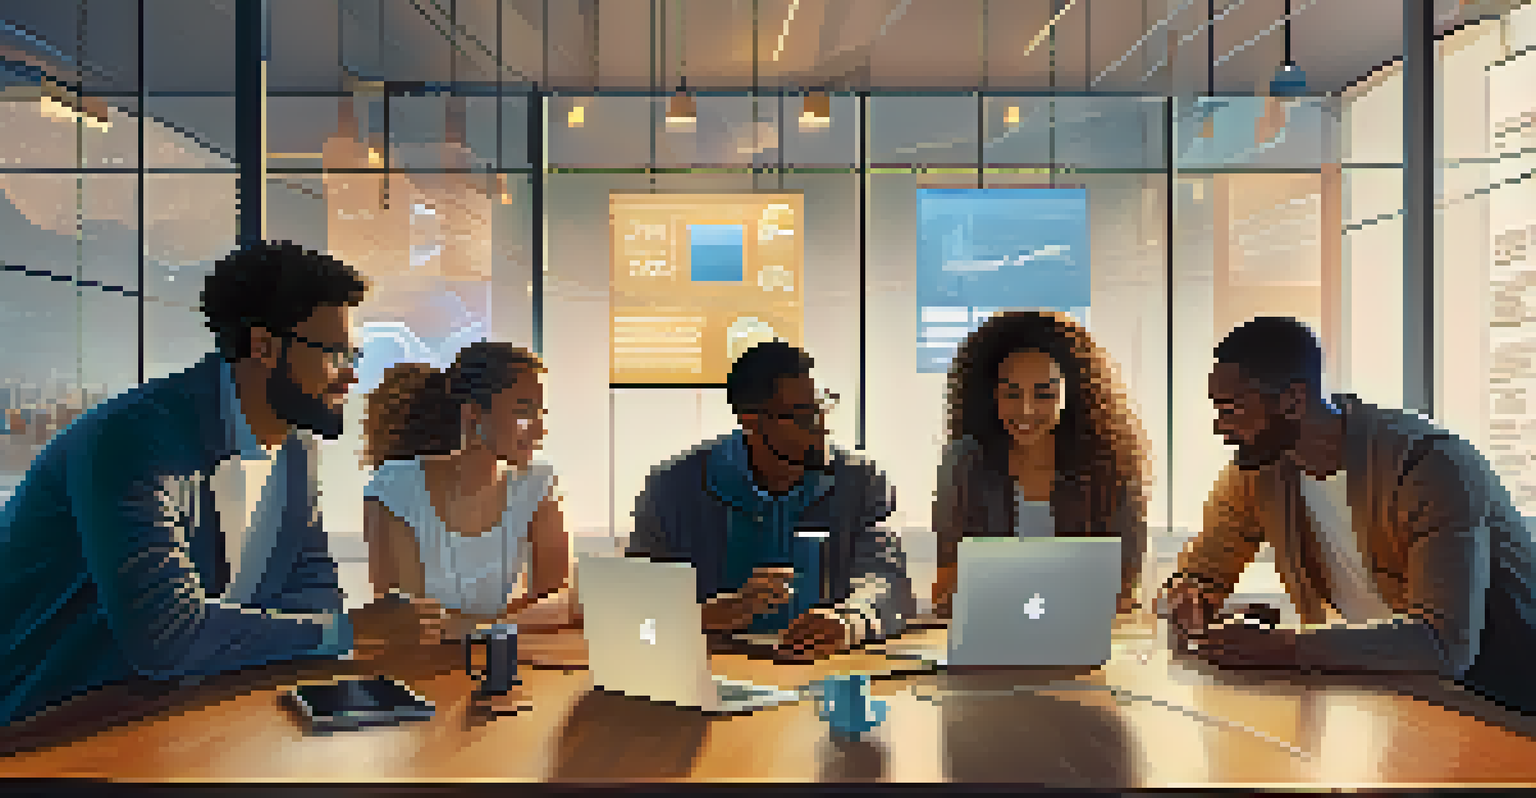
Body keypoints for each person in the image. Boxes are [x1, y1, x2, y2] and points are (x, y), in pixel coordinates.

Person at [0, 241, 445, 726]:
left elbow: (312, 595)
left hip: (179, 717)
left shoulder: (296, 450)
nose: (351, 376)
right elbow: (166, 635)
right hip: (42, 728)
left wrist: (333, 630)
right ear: (262, 346)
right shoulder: (133, 440)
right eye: (336, 354)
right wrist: (352, 629)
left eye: (354, 354)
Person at [1162, 316, 1536, 713]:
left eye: (1232, 409)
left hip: (1503, 703)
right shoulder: (1258, 473)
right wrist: (1192, 596)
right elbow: (1202, 572)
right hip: (1407, 697)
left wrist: (1287, 646)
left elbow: (1443, 644)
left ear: (1293, 400)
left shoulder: (1429, 465)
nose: (1220, 427)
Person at [627, 341, 915, 661]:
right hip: (709, 674)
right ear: (750, 420)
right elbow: (635, 614)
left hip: (827, 671)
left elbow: (889, 581)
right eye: (804, 416)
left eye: (824, 406)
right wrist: (705, 616)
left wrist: (850, 621)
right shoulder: (674, 488)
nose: (823, 427)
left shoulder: (859, 481)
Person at [931, 310, 1150, 619]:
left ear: (1072, 394)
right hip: (991, 633)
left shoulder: (1111, 466)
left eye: (1044, 394)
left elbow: (1124, 587)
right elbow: (945, 589)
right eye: (1011, 393)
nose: (1026, 409)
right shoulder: (964, 464)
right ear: (991, 395)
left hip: (1082, 637)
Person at [362, 342, 577, 642]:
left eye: (542, 412)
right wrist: (517, 620)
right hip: (420, 670)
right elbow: (410, 624)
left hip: (507, 662)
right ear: (473, 414)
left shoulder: (540, 483)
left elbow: (561, 603)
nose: (541, 430)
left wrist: (473, 627)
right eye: (524, 412)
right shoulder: (394, 489)